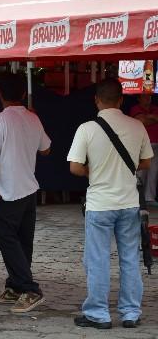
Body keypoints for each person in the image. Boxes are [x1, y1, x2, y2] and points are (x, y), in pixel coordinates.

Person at [68, 78, 152, 329]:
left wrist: (91, 171)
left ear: (96, 100)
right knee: (129, 258)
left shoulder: (87, 128)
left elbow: (74, 167)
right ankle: (130, 312)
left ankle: (98, 313)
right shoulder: (137, 126)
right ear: (121, 99)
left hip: (100, 204)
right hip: (128, 203)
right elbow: (147, 162)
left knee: (98, 259)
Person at [0, 72, 50, 313]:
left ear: (0, 94)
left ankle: (29, 288)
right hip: (28, 188)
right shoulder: (33, 118)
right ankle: (15, 286)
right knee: (23, 241)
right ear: (23, 93)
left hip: (7, 192)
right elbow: (46, 149)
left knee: (8, 239)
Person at [130, 94, 158, 205]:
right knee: (141, 172)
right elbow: (141, 121)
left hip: (156, 143)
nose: (148, 99)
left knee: (154, 171)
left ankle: (149, 198)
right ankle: (138, 198)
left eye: (149, 97)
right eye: (145, 97)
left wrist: (148, 116)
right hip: (142, 143)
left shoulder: (155, 108)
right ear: (139, 98)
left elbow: (147, 119)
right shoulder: (135, 108)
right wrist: (153, 118)